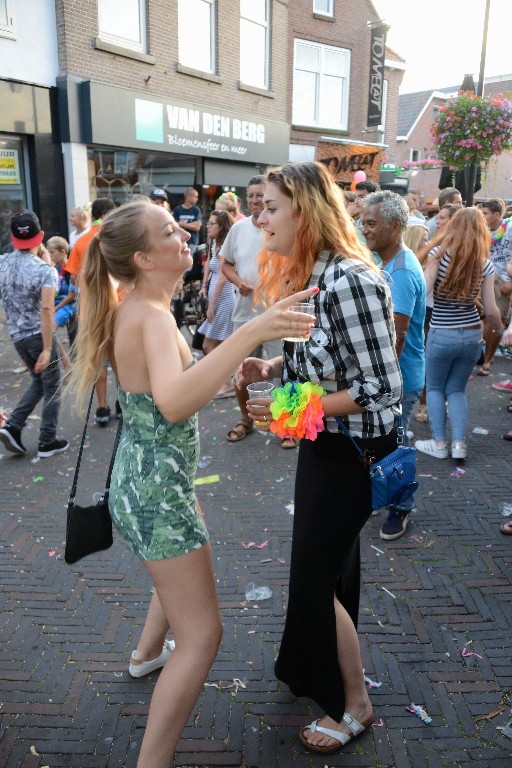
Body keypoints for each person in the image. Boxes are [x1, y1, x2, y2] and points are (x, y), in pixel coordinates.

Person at [68, 198, 316, 768]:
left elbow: (169, 390)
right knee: (203, 638)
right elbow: (175, 403)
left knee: (185, 562)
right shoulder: (149, 314)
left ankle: (145, 654)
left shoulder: (142, 304)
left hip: (151, 480)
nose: (183, 234)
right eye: (168, 232)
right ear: (143, 257)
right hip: (156, 489)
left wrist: (235, 363)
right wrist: (252, 333)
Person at [238, 162, 402, 755]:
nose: (260, 218)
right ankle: (308, 667)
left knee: (312, 577)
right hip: (327, 445)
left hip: (354, 452)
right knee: (330, 570)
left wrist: (291, 410)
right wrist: (276, 367)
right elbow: (327, 360)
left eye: (270, 207)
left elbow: (380, 388)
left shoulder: (350, 279)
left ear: (304, 210)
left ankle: (354, 704)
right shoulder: (317, 274)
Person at [361, 191, 426, 541]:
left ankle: (401, 508)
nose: (363, 228)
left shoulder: (400, 272)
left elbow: (396, 338)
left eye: (371, 223)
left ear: (396, 225)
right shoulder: (384, 259)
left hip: (400, 378)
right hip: (390, 378)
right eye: (363, 221)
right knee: (383, 443)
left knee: (394, 446)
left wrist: (382, 385)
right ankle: (383, 494)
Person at [416, 207, 502, 460]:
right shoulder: (485, 265)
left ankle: (440, 444)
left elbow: (422, 292)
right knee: (456, 391)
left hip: (442, 332)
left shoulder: (438, 255)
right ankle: (459, 445)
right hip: (473, 333)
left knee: (433, 388)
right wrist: (498, 329)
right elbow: (491, 308)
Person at [221, 175, 296, 447]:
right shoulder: (238, 230)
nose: (254, 201)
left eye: (260, 196)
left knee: (286, 371)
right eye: (250, 195)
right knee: (241, 373)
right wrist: (238, 281)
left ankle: (288, 426)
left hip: (277, 316)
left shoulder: (282, 228)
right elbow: (225, 265)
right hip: (244, 314)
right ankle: (246, 419)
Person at [0, 212, 69, 458]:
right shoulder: (45, 271)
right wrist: (49, 348)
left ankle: (13, 426)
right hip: (38, 336)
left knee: (40, 382)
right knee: (52, 387)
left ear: (12, 237)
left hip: (17, 336)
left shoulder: (2, 263)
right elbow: (47, 308)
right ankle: (47, 440)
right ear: (40, 237)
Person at [66, 197, 116, 425]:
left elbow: (74, 278)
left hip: (90, 308)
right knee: (121, 357)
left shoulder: (81, 242)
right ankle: (123, 403)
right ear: (109, 213)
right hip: (118, 306)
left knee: (98, 361)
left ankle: (102, 408)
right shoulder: (118, 238)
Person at [198, 210, 236, 397]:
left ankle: (226, 381)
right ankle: (226, 381)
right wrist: (204, 286)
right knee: (220, 345)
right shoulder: (215, 244)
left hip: (224, 300)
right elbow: (208, 268)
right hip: (216, 298)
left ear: (221, 228)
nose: (208, 225)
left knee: (209, 345)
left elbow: (222, 278)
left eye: (212, 223)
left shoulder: (224, 248)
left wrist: (211, 305)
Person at [478, 199, 512, 377]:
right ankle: (483, 356)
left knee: (498, 318)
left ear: (497, 215)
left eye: (485, 213)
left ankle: (488, 359)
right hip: (488, 274)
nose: (482, 216)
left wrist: (511, 281)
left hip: (506, 279)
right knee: (484, 317)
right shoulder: (483, 231)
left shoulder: (510, 228)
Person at [403, 224, 430, 423]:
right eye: (425, 239)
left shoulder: (405, 271)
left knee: (396, 439)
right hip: (409, 370)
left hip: (404, 373)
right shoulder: (406, 265)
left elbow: (399, 333)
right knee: (397, 436)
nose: (428, 244)